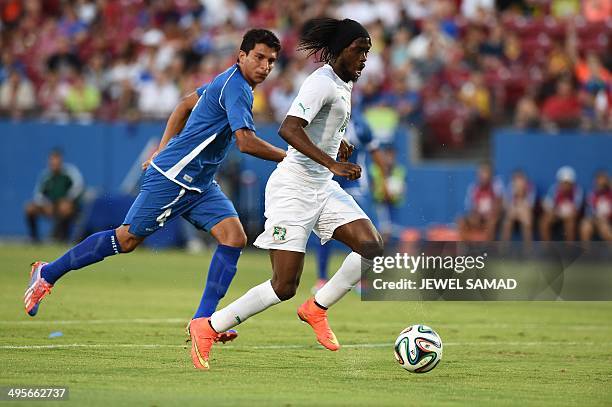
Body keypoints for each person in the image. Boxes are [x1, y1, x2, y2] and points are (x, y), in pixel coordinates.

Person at [24, 30, 286, 348]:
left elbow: (183, 105)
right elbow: (244, 142)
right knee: (127, 238)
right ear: (241, 55)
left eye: (271, 61)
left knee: (234, 237)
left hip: (199, 183)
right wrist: (290, 156)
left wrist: (161, 147)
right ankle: (47, 273)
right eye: (259, 57)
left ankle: (202, 321)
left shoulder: (227, 81)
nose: (266, 66)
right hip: (174, 178)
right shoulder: (237, 88)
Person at [186, 18, 383, 371]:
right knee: (284, 285)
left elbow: (318, 126)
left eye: (367, 51)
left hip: (321, 187)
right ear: (340, 50)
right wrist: (332, 163)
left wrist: (336, 143)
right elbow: (289, 129)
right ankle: (209, 326)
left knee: (370, 245)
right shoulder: (320, 83)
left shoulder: (343, 82)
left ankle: (317, 308)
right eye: (359, 50)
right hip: (292, 190)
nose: (365, 58)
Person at [313, 109, 385, 292]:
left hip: (356, 182)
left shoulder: (361, 123)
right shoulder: (323, 119)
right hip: (329, 179)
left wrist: (383, 180)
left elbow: (375, 151)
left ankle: (362, 280)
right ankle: (322, 278)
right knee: (325, 229)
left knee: (362, 229)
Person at [25, 149, 84, 243]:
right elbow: (38, 194)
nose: (54, 163)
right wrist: (45, 204)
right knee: (29, 208)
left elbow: (78, 187)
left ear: (61, 161)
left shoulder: (70, 172)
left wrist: (67, 199)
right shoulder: (46, 175)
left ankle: (61, 237)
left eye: (57, 160)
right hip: (50, 205)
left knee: (64, 207)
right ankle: (34, 238)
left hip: (69, 206)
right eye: (52, 161)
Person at [457, 162, 503, 241]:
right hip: (478, 216)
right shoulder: (473, 188)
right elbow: (470, 207)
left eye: (486, 172)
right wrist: (476, 214)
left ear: (491, 174)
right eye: (481, 173)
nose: (483, 175)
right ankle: (465, 249)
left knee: (491, 222)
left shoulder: (496, 186)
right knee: (460, 220)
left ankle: (489, 250)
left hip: (491, 217)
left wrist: (491, 213)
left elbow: (499, 206)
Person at [539, 166, 583, 241]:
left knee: (570, 222)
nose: (565, 185)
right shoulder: (553, 189)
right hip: (556, 214)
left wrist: (566, 213)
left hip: (570, 216)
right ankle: (547, 248)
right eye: (562, 182)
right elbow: (548, 206)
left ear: (572, 183)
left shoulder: (578, 191)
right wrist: (555, 211)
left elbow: (576, 211)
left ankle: (569, 251)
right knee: (544, 221)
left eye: (567, 183)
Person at [500, 170, 535, 242]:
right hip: (512, 211)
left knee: (527, 222)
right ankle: (503, 251)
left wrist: (521, 194)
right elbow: (506, 205)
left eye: (521, 179)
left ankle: (528, 251)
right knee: (507, 223)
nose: (518, 182)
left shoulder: (531, 187)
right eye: (516, 180)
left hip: (525, 211)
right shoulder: (510, 187)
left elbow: (530, 206)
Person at [580, 171, 612, 242]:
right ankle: (587, 252)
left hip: (608, 221)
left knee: (605, 229)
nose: (600, 183)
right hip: (596, 221)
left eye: (603, 181)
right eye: (598, 181)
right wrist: (597, 219)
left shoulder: (610, 194)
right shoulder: (592, 195)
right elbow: (589, 212)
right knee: (585, 227)